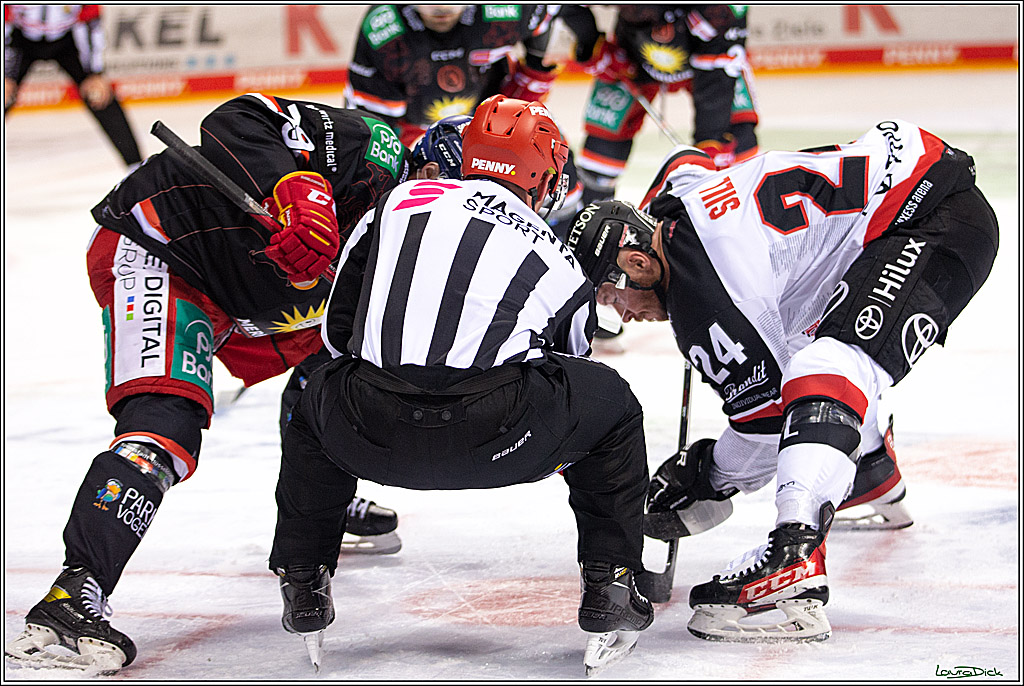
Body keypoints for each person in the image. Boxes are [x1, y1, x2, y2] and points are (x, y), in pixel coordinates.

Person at [3, 94, 456, 674]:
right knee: (165, 426)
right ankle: (72, 597)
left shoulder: (421, 245)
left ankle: (321, 501)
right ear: (427, 172)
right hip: (166, 252)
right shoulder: (371, 150)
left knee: (337, 368)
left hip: (249, 299)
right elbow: (237, 119)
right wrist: (299, 189)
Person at [564, 120, 998, 642]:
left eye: (614, 297)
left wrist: (706, 476)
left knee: (825, 367)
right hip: (915, 188)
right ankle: (870, 470)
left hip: (929, 219)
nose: (624, 315)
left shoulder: (705, 301)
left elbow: (768, 428)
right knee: (799, 338)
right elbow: (687, 162)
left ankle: (794, 559)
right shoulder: (673, 204)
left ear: (637, 262)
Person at [268, 95, 653, 675]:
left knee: (310, 393)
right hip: (500, 440)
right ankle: (612, 585)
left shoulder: (393, 204)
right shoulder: (554, 252)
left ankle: (303, 578)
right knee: (614, 407)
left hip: (368, 434)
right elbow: (568, 363)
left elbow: (337, 334)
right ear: (542, 174)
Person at [573, 5, 760, 206]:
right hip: (633, 56)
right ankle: (584, 214)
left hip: (711, 59)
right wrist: (591, 42)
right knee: (602, 148)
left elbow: (719, 70)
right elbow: (563, 7)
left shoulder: (720, 12)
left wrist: (710, 140)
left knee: (736, 146)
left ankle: (744, 209)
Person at [4, 4, 142, 168]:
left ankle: (136, 167)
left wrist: (95, 73)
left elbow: (91, 23)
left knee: (99, 94)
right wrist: (5, 73)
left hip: (68, 39)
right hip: (19, 39)